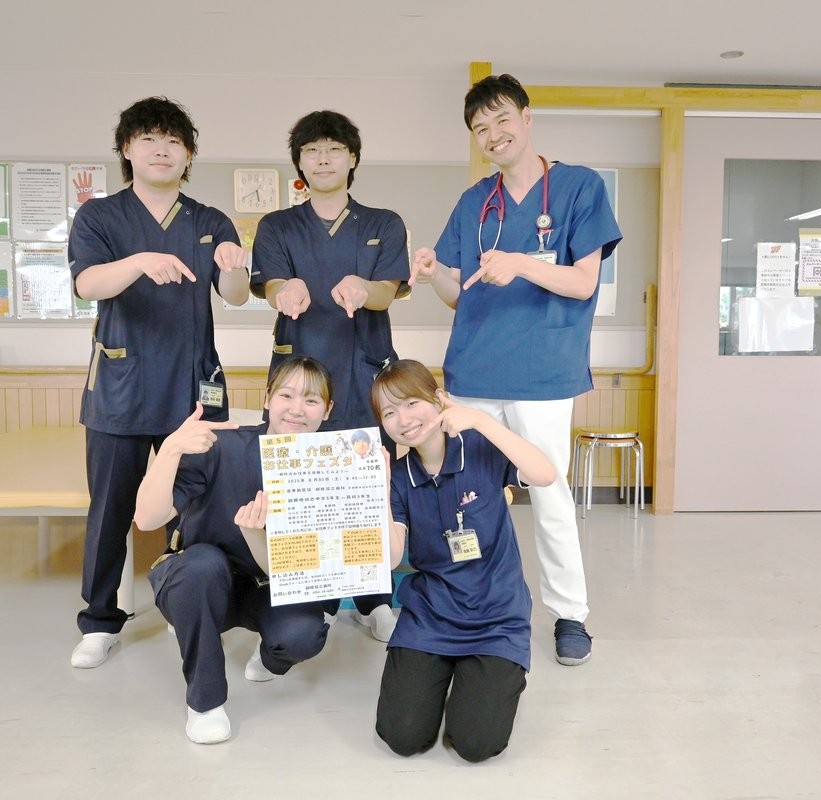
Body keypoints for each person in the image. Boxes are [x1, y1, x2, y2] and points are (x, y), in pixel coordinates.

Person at [411, 74, 622, 667]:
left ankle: (570, 614)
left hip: (542, 374)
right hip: (473, 373)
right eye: (480, 128)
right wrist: (433, 272)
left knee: (548, 494)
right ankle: (470, 604)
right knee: (467, 496)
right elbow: (458, 293)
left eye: (501, 119)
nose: (493, 134)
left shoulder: (579, 188)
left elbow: (583, 282)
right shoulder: (475, 201)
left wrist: (522, 264)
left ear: (527, 118)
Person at [67, 96, 251, 669]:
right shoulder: (99, 217)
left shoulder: (209, 220)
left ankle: (188, 607)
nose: (161, 149)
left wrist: (235, 265)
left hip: (194, 386)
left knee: (196, 504)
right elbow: (87, 284)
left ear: (189, 154)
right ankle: (101, 620)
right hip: (121, 386)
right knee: (110, 509)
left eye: (174, 140)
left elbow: (235, 296)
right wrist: (140, 261)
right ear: (127, 149)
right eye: (148, 138)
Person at [250, 109, 409, 642]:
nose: (323, 159)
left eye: (334, 149)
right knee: (299, 489)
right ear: (299, 162)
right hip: (301, 372)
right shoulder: (277, 226)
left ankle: (374, 599)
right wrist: (285, 290)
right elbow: (271, 284)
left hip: (363, 368)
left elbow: (389, 289)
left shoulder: (383, 223)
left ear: (352, 158)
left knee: (367, 486)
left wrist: (365, 289)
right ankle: (309, 599)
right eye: (312, 150)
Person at [135, 356, 336, 744]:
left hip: (271, 585)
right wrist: (171, 448)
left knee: (304, 634)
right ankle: (205, 704)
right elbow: (146, 518)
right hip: (202, 580)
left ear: (327, 410)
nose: (297, 409)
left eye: (311, 400)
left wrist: (253, 535)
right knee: (202, 566)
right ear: (267, 398)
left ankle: (269, 656)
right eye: (286, 395)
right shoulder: (223, 446)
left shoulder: (331, 467)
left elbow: (296, 573)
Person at [371, 359, 556, 762]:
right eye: (389, 412)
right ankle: (446, 673)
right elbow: (391, 558)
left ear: (438, 399)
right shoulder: (399, 476)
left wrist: (480, 420)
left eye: (411, 403)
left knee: (475, 743)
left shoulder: (480, 448)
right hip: (430, 616)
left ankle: (490, 677)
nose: (404, 419)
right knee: (403, 736)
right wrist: (379, 490)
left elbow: (545, 475)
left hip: (496, 616)